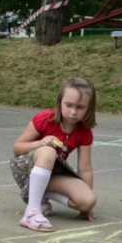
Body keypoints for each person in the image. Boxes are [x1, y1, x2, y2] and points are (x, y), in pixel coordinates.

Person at [10, 76, 98, 232]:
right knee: (48, 151)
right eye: (68, 105)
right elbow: (17, 147)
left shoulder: (84, 131)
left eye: (80, 107)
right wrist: (41, 142)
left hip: (53, 173)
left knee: (88, 200)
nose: (73, 112)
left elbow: (85, 169)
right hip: (27, 168)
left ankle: (38, 193)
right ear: (60, 101)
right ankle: (32, 213)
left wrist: (86, 208)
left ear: (89, 107)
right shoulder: (45, 119)